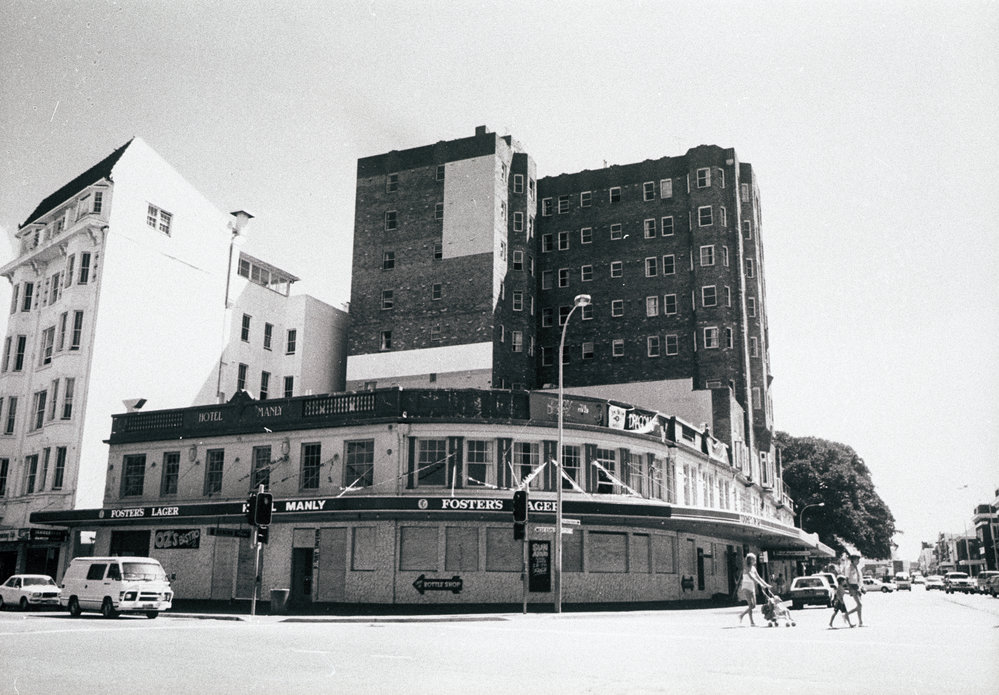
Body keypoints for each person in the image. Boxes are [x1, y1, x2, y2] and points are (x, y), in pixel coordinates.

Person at [737, 552, 770, 626]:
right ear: (749, 560)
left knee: (754, 605)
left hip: (752, 586)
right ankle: (752, 622)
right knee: (750, 605)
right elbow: (752, 577)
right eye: (753, 559)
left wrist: (766, 584)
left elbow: (758, 577)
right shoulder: (746, 568)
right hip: (746, 587)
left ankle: (742, 615)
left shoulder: (754, 568)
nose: (755, 560)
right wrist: (761, 584)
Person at [845, 553, 865, 626]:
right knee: (860, 604)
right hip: (852, 587)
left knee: (859, 606)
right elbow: (846, 579)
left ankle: (860, 622)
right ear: (853, 560)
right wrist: (849, 588)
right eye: (857, 560)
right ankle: (846, 614)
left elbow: (859, 579)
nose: (858, 561)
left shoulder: (857, 568)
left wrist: (861, 587)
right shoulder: (848, 568)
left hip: (857, 587)